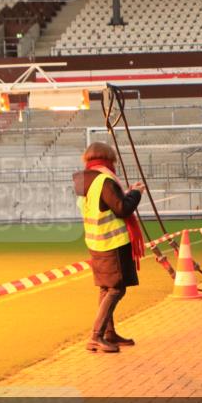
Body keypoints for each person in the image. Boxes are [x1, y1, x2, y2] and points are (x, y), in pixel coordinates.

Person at [72, 142, 146, 354]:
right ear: (109, 159)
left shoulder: (85, 180)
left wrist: (128, 193)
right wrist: (136, 193)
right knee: (116, 288)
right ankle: (96, 336)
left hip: (96, 241)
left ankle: (108, 333)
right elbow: (122, 208)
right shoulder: (105, 179)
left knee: (106, 288)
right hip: (112, 243)